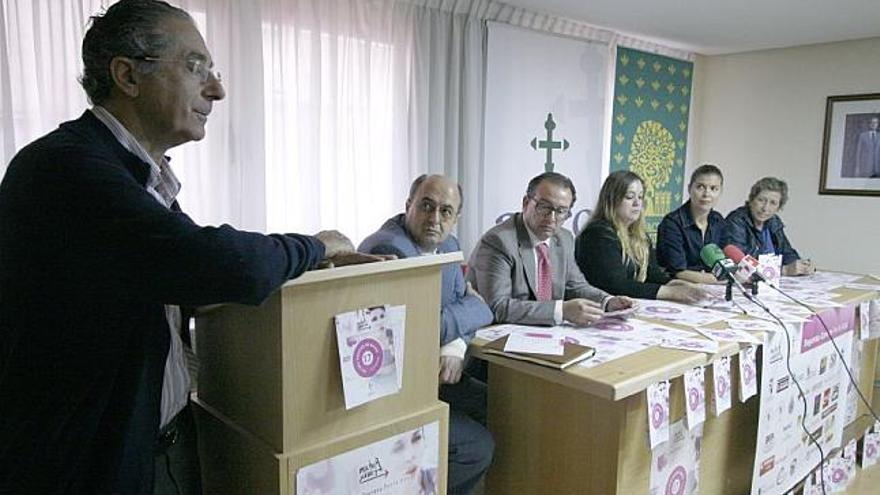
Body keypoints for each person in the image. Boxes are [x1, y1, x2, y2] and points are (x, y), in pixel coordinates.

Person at [0, 1, 381, 493]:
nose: (217, 89)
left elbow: (190, 283)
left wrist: (315, 266)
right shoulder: (66, 168)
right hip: (81, 463)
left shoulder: (139, 177)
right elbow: (220, 266)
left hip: (161, 441)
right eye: (195, 66)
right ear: (128, 75)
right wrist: (317, 244)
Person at [359, 174, 494, 495]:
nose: (435, 219)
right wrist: (469, 312)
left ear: (456, 218)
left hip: (430, 375)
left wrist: (455, 346)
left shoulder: (449, 244)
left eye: (446, 211)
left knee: (501, 405)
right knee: (477, 447)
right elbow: (417, 327)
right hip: (391, 389)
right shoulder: (389, 249)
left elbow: (472, 307)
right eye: (426, 206)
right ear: (408, 206)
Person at [467, 172, 635, 326]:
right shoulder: (499, 241)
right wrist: (561, 311)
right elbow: (497, 307)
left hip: (546, 335)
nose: (551, 218)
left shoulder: (565, 239)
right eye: (545, 207)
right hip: (497, 337)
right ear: (526, 203)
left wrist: (608, 301)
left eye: (561, 211)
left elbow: (575, 286)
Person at [575, 171, 707, 303]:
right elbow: (616, 285)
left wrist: (674, 284)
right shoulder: (598, 234)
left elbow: (652, 274)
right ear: (611, 199)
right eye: (629, 197)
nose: (637, 203)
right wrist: (669, 292)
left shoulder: (639, 235)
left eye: (640, 197)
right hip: (599, 308)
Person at [723, 176, 813, 276]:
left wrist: (801, 266)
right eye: (761, 200)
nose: (765, 208)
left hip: (772, 282)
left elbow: (787, 252)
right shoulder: (736, 220)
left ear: (779, 207)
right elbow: (742, 262)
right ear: (751, 200)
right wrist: (783, 270)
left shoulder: (773, 221)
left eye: (773, 203)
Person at [656, 164, 727, 284]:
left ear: (720, 192)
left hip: (713, 288)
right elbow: (677, 271)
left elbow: (724, 259)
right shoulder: (672, 223)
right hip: (678, 288)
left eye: (713, 188)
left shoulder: (718, 220)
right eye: (700, 187)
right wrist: (717, 279)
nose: (706, 194)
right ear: (689, 189)